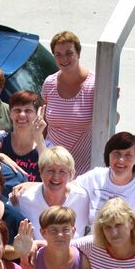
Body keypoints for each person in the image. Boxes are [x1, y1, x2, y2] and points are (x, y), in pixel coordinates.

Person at [71, 132, 135, 226]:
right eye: (116, 154)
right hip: (94, 240)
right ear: (108, 155)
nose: (121, 160)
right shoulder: (95, 177)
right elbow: (68, 191)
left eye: (128, 155)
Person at [42, 30, 95, 176]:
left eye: (69, 53)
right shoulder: (49, 83)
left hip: (83, 169)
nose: (64, 58)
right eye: (58, 54)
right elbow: (43, 124)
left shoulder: (94, 84)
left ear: (78, 53)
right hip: (51, 166)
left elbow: (110, 120)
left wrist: (111, 99)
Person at [16, 146, 91, 241]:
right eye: (50, 171)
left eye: (62, 171)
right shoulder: (24, 199)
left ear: (71, 174)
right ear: (40, 171)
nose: (56, 177)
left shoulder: (83, 198)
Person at [0, 91, 49, 181]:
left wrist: (38, 136)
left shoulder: (47, 147)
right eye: (17, 110)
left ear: (37, 114)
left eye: (28, 111)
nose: (22, 115)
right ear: (10, 114)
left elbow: (49, 175)